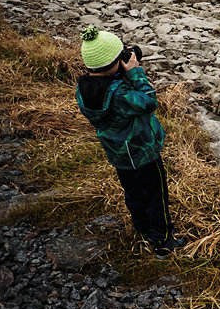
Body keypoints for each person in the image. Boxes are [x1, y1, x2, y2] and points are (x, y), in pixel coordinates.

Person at [76, 25, 182, 259]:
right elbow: (148, 101)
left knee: (133, 193)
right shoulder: (120, 94)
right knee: (156, 196)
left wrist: (118, 73)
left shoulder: (83, 89)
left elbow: (106, 86)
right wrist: (135, 72)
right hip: (143, 153)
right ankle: (163, 242)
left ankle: (142, 228)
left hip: (119, 155)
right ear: (116, 63)